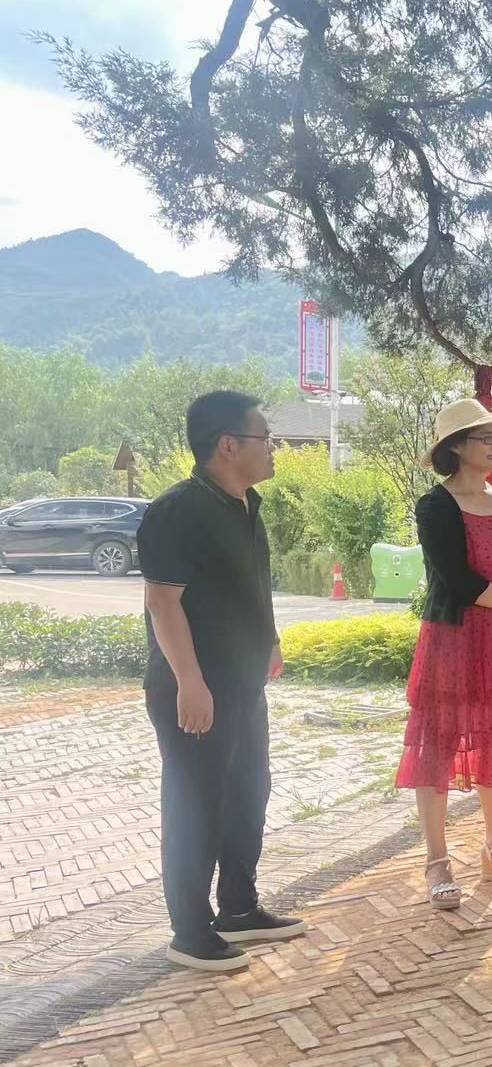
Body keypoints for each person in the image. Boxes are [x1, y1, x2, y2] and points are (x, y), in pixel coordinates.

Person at [140, 391, 300, 972]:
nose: (274, 448)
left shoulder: (246, 504)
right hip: (196, 689)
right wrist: (190, 681)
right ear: (228, 445)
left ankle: (239, 907)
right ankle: (190, 930)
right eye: (265, 438)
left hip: (243, 682)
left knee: (248, 792)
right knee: (196, 803)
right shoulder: (177, 511)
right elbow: (163, 603)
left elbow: (250, 585)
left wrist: (269, 641)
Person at [400, 399, 492, 909]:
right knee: (438, 745)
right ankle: (437, 861)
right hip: (453, 638)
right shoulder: (435, 506)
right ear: (456, 447)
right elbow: (454, 579)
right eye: (484, 438)